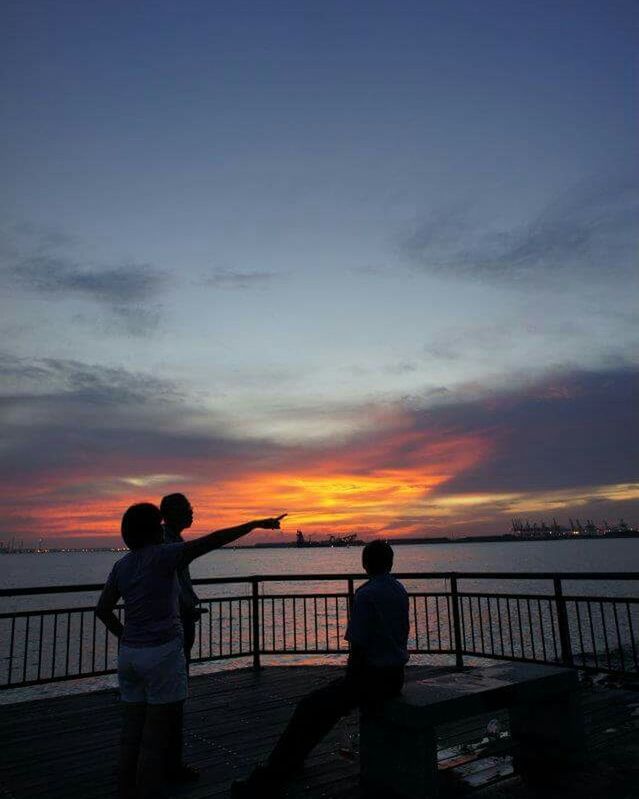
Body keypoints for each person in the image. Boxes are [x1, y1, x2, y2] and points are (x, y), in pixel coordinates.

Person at [95, 502, 285, 799]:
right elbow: (213, 540)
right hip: (162, 655)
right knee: (154, 741)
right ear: (153, 530)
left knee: (130, 736)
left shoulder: (122, 565)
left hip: (130, 657)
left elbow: (103, 609)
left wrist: (127, 637)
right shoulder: (164, 556)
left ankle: (124, 791)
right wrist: (253, 524)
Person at [231, 539, 409, 799]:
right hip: (395, 677)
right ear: (390, 563)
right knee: (322, 708)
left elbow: (358, 645)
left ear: (365, 563)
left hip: (370, 679)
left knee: (310, 707)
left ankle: (270, 777)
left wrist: (350, 682)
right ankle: (290, 762)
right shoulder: (399, 590)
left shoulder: (366, 594)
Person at [159, 493, 202, 661]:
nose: (191, 513)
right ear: (173, 513)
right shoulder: (165, 541)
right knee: (177, 661)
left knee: (183, 658)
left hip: (183, 613)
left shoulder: (175, 538)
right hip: (174, 617)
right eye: (187, 509)